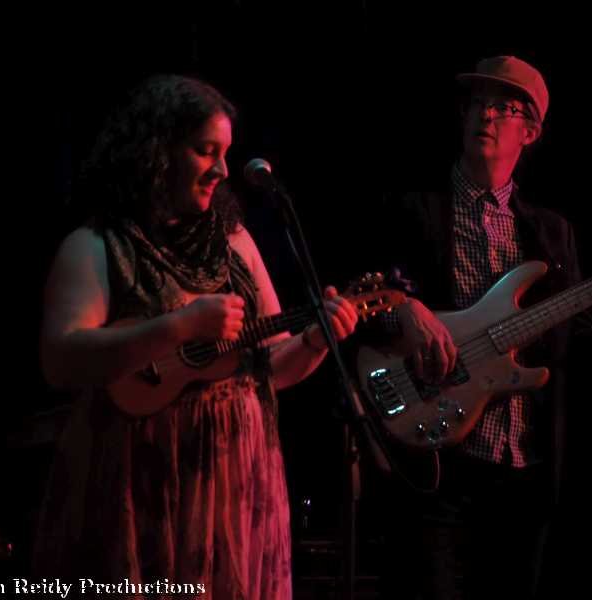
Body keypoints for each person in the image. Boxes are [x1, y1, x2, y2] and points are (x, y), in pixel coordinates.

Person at [368, 56, 592, 599]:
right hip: (438, 462)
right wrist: (402, 306)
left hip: (522, 471)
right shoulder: (414, 209)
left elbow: (577, 341)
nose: (486, 115)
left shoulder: (552, 233)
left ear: (531, 131)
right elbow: (361, 296)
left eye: (504, 107)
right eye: (478, 102)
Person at [35, 74, 358, 599]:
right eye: (206, 151)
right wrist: (179, 326)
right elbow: (61, 358)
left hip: (237, 490)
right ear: (157, 151)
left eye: (226, 153)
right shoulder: (98, 245)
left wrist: (316, 342)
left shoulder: (235, 241)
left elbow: (269, 368)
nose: (223, 170)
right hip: (144, 492)